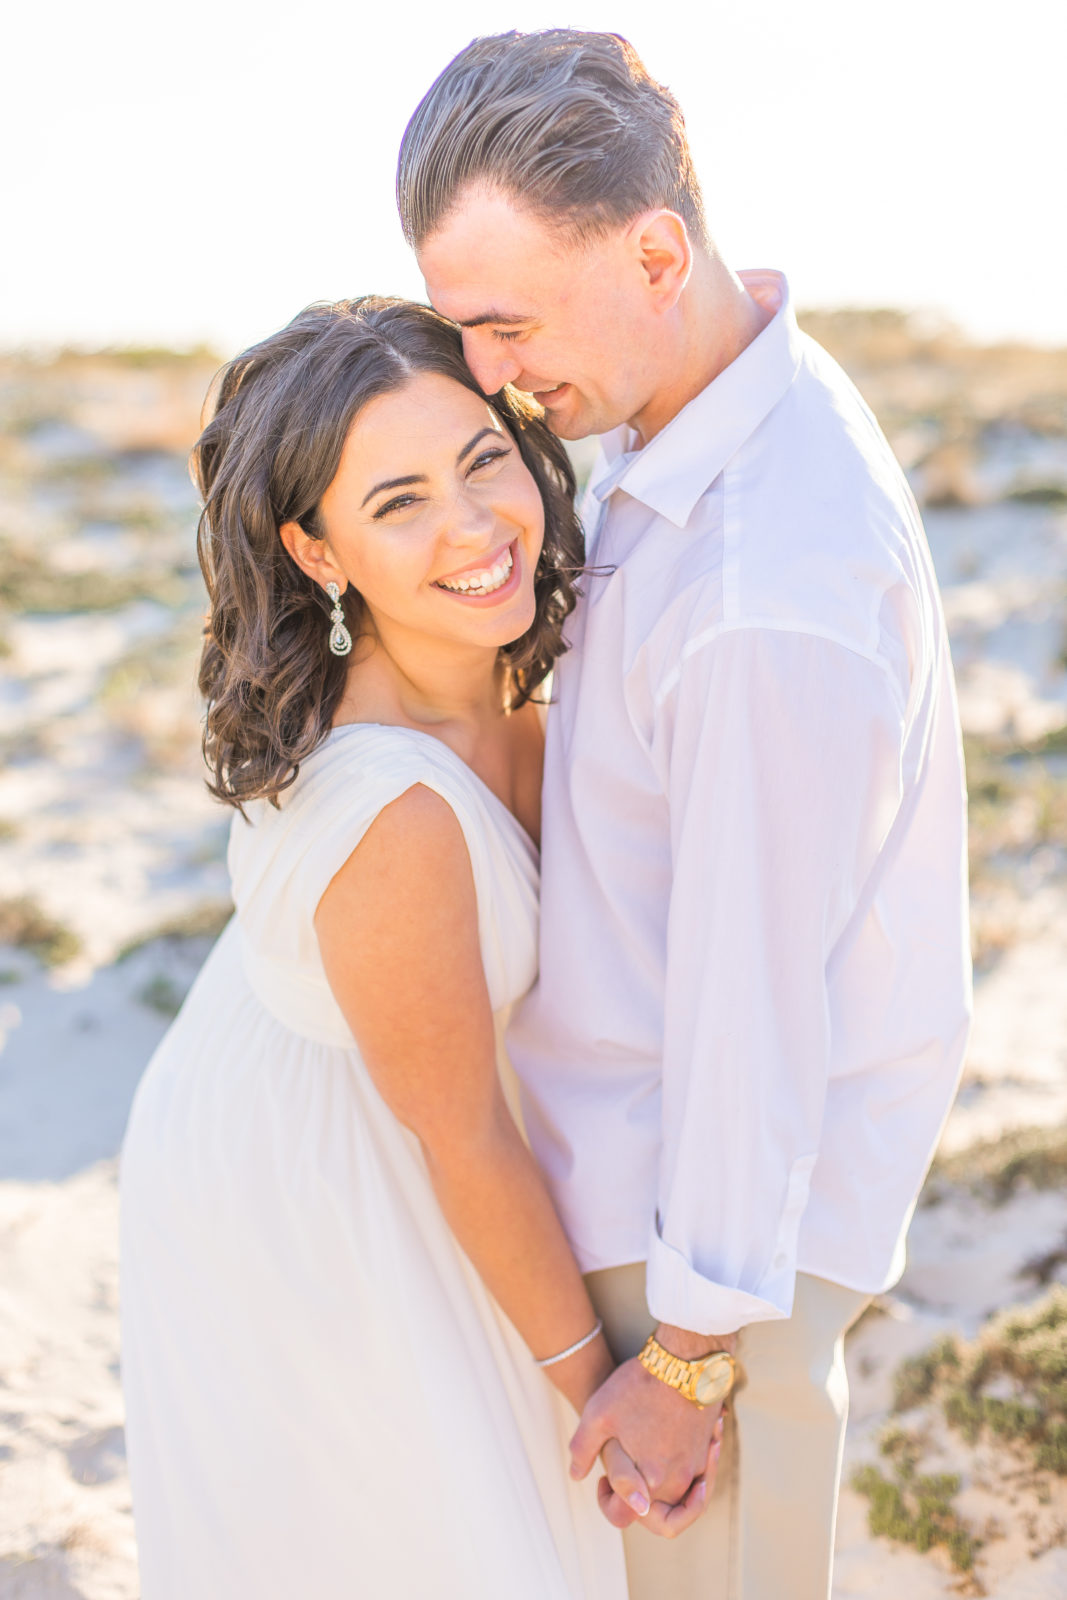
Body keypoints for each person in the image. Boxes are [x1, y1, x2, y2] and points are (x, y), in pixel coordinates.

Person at [396, 28, 973, 1600]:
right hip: (675, 1231)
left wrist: (697, 1358)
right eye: (467, 331)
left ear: (658, 252)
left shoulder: (762, 591)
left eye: (506, 326)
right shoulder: (711, 419)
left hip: (707, 1262)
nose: (492, 380)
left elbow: (754, 1000)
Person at [119, 297, 652, 1599]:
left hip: (391, 1122)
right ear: (319, 552)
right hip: (305, 1181)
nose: (474, 528)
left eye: (484, 461)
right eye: (400, 501)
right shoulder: (395, 816)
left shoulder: (519, 682)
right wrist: (606, 1393)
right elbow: (463, 1131)